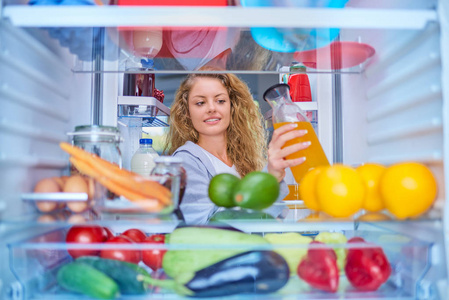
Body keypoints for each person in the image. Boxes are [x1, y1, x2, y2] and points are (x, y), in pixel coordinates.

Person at [164, 71, 310, 224]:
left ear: (231, 107)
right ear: (187, 112)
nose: (211, 108)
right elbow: (208, 227)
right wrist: (269, 177)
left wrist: (275, 177)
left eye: (220, 101)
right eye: (200, 103)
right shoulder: (185, 161)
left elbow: (270, 217)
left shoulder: (242, 159)